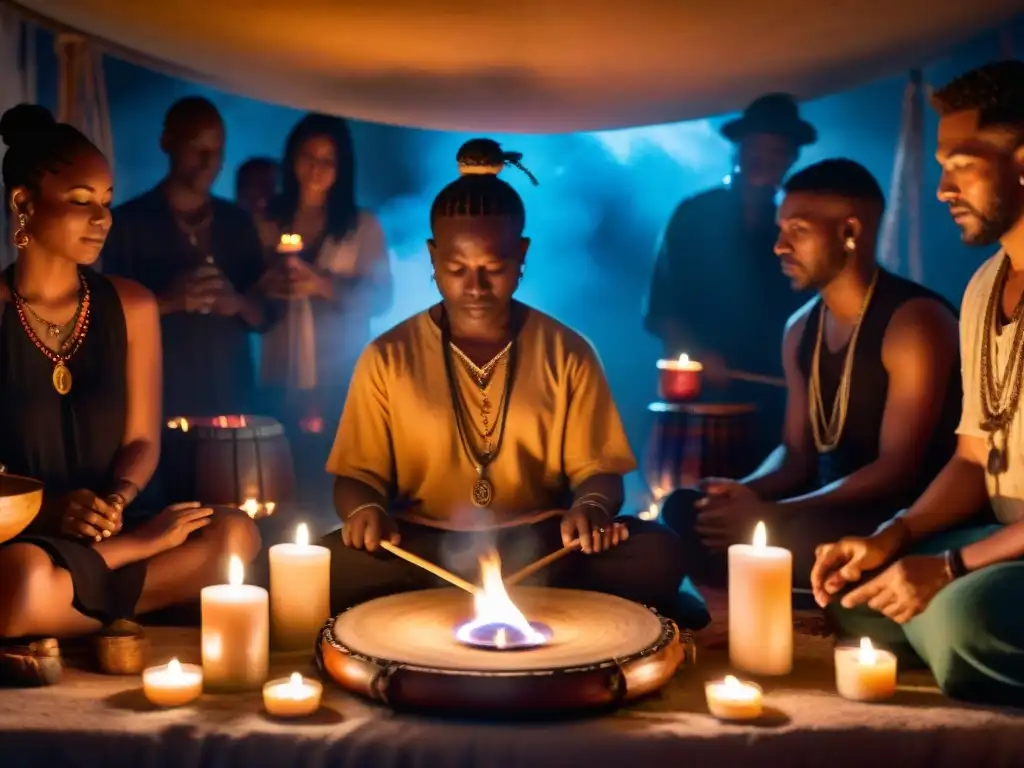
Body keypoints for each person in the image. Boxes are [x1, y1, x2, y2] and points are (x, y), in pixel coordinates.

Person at [319, 139, 702, 627]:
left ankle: (470, 599)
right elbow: (356, 475)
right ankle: (523, 599)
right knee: (322, 564)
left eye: (493, 269)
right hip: (418, 546)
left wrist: (590, 509)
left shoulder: (568, 351)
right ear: (433, 259)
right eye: (457, 269)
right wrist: (365, 512)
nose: (475, 287)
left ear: (521, 255)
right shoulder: (388, 356)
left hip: (544, 545)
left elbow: (600, 473)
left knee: (659, 552)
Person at [0, 104, 260, 685]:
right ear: (23, 204)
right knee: (17, 579)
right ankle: (98, 611)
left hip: (119, 526)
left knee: (234, 534)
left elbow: (143, 438)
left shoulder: (133, 304)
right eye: (80, 200)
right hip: (28, 537)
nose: (102, 218)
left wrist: (119, 499)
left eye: (108, 201)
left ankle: (61, 618)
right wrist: (59, 510)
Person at [811, 61, 1024, 707]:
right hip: (1004, 542)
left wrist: (950, 568)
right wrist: (895, 536)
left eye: (961, 164)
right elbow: (971, 458)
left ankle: (948, 622)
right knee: (859, 588)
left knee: (967, 621)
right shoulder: (986, 284)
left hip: (997, 557)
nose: (941, 189)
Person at [662, 159, 962, 589]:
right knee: (686, 509)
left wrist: (777, 513)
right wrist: (746, 492)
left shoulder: (914, 322)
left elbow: (899, 468)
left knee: (792, 537)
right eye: (781, 230)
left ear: (850, 233)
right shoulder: (801, 328)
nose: (779, 247)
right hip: (816, 506)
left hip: (895, 516)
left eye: (797, 231)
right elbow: (795, 451)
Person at [644, 94, 817, 459]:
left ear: (790, 159)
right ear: (737, 149)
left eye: (777, 151)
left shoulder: (794, 226)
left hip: (777, 397)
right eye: (756, 147)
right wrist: (700, 353)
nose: (764, 159)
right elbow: (663, 307)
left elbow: (811, 308)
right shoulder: (695, 215)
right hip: (701, 399)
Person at [101, 96, 272, 420]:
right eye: (198, 149)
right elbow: (105, 320)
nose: (209, 163)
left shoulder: (237, 223)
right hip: (158, 406)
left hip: (231, 405)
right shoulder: (128, 224)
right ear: (168, 142)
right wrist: (169, 300)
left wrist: (235, 303)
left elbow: (266, 315)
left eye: (217, 152)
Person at [256, 113, 392, 437]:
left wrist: (321, 284)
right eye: (308, 156)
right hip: (280, 372)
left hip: (339, 375)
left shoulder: (362, 226)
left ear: (341, 166)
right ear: (292, 158)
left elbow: (382, 299)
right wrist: (271, 284)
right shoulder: (267, 221)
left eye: (327, 160)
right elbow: (249, 290)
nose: (316, 168)